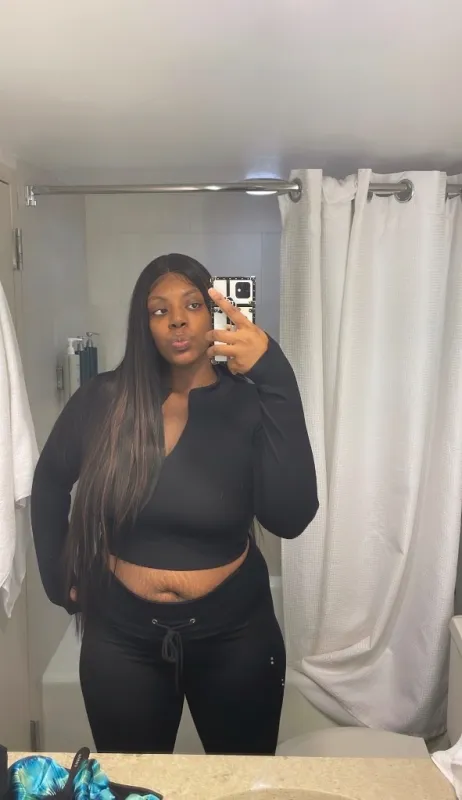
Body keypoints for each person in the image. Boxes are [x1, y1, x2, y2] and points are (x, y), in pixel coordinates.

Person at [31, 253, 318, 756]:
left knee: (239, 781)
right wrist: (58, 577)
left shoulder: (249, 403)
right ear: (144, 326)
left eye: (192, 305)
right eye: (159, 310)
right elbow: (50, 481)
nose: (178, 320)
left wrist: (276, 376)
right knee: (134, 782)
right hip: (120, 637)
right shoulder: (103, 399)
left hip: (236, 634)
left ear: (214, 315)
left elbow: (290, 517)